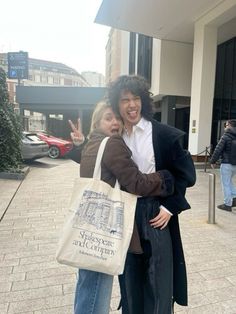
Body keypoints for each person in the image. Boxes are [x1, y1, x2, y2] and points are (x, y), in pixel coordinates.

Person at [69, 101, 175, 314]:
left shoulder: (94, 143)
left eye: (117, 118)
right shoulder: (112, 143)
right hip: (104, 228)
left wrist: (79, 145)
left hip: (88, 225)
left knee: (87, 284)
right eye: (109, 118)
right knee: (97, 288)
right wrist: (165, 178)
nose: (115, 122)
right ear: (97, 121)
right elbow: (136, 183)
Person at [107, 74, 196, 314]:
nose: (131, 105)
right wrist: (78, 146)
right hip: (126, 213)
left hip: (156, 213)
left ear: (143, 102)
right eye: (125, 100)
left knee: (159, 280)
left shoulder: (164, 135)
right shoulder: (116, 137)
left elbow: (186, 175)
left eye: (136, 98)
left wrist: (170, 208)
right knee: (130, 277)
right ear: (117, 104)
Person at [210, 119, 236, 212]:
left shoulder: (226, 136)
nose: (225, 126)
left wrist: (212, 161)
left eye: (226, 125)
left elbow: (218, 149)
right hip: (235, 165)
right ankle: (235, 198)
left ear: (229, 125)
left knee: (226, 184)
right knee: (229, 182)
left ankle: (227, 204)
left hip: (226, 164)